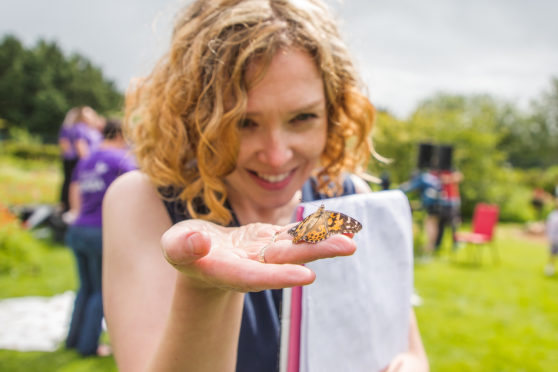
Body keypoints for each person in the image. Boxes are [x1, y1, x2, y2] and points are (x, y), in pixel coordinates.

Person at [103, 1, 429, 371]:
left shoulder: (349, 197)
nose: (276, 156)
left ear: (333, 111)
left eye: (302, 117)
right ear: (194, 117)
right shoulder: (143, 200)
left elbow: (410, 351)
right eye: (243, 122)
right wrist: (206, 288)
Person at [65, 119, 136, 356]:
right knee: (101, 291)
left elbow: (73, 188)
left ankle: (73, 340)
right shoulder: (121, 160)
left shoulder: (87, 159)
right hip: (101, 232)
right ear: (119, 135)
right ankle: (88, 346)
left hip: (79, 229)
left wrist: (76, 213)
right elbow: (140, 189)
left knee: (86, 288)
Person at [58, 106, 104, 213]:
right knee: (73, 182)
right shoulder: (80, 128)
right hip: (78, 159)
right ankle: (71, 206)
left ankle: (69, 205)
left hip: (77, 159)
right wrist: (87, 160)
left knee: (70, 181)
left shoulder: (87, 129)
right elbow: (79, 144)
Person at [545, 199, 558, 276]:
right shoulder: (553, 215)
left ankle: (550, 268)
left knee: (552, 255)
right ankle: (550, 269)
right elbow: (549, 227)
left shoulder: (552, 215)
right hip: (554, 239)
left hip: (553, 238)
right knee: (552, 255)